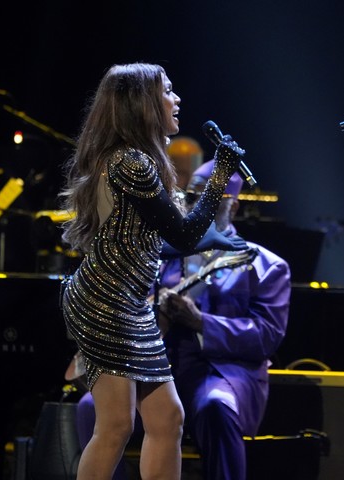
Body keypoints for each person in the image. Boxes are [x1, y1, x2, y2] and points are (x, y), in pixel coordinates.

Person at [58, 62, 245, 480]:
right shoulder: (130, 163)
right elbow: (181, 236)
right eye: (168, 91)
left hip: (126, 302)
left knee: (166, 420)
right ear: (142, 103)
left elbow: (145, 244)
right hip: (105, 301)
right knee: (116, 426)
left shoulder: (133, 160)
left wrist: (208, 239)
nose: (176, 100)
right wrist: (219, 175)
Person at [75, 157, 291, 479]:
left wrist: (202, 322)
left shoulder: (265, 265)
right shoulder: (162, 256)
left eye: (210, 197)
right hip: (160, 368)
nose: (197, 204)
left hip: (222, 373)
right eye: (192, 196)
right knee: (90, 408)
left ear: (232, 208)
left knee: (216, 406)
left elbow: (266, 335)